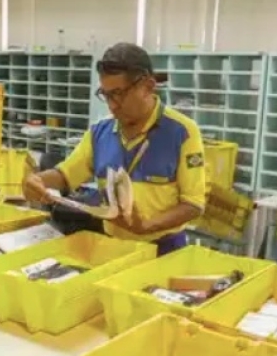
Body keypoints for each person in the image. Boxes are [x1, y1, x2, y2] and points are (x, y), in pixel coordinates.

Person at [22, 43, 206, 255]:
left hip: (164, 249)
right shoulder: (100, 132)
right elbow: (65, 175)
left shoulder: (182, 132)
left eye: (119, 94)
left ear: (148, 86)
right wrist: (37, 181)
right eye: (106, 95)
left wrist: (147, 226)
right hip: (113, 245)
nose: (112, 105)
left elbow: (193, 205)